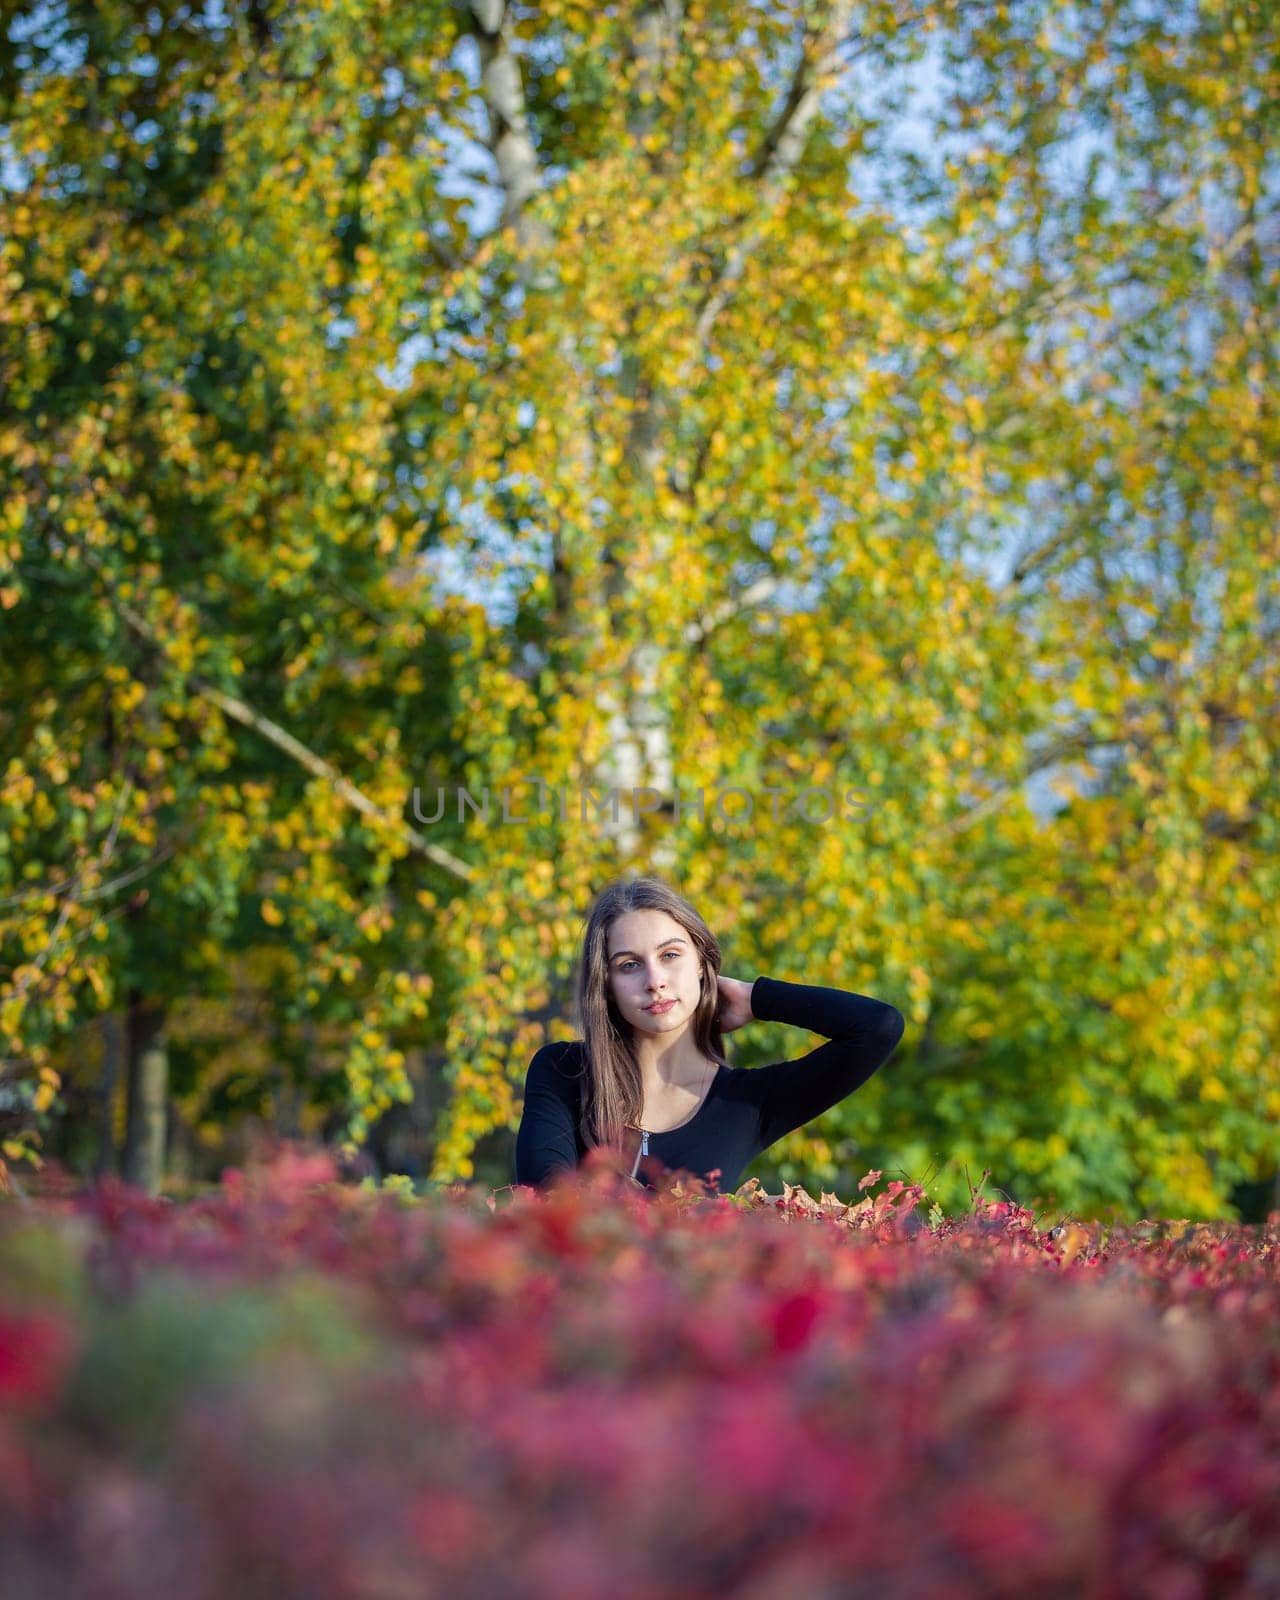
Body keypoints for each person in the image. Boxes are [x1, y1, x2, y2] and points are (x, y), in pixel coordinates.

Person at [513, 875, 906, 1194]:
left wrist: (757, 998)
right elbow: (546, 1198)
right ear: (607, 984)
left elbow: (877, 1027)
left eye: (670, 956)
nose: (655, 981)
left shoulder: (748, 1103)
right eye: (629, 965)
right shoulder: (563, 1072)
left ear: (702, 964)